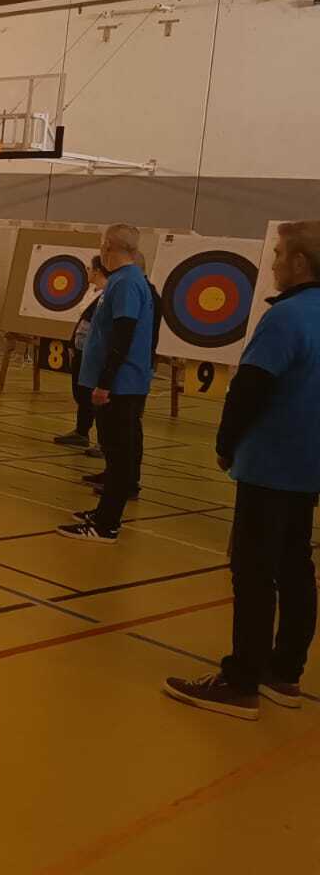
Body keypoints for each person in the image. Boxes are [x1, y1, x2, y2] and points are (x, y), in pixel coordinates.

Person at [165, 220, 320, 720]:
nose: (273, 262)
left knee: (253, 572)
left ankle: (241, 682)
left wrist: (225, 445)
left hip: (270, 465)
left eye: (279, 254)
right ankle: (284, 672)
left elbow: (249, 388)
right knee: (295, 566)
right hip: (308, 467)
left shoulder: (286, 316)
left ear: (300, 263)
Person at [59, 224, 159, 543]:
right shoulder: (121, 280)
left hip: (120, 385)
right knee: (114, 454)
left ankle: (107, 525)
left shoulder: (127, 282)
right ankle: (104, 514)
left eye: (103, 245)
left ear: (109, 247)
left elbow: (123, 334)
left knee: (117, 456)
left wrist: (105, 382)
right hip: (117, 382)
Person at [53, 257, 108, 460]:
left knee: (94, 396)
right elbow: (83, 320)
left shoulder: (108, 293)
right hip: (80, 346)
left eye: (89, 268)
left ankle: (104, 441)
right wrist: (71, 344)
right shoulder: (91, 291)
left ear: (98, 270)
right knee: (81, 392)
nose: (87, 271)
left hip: (94, 350)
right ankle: (81, 432)